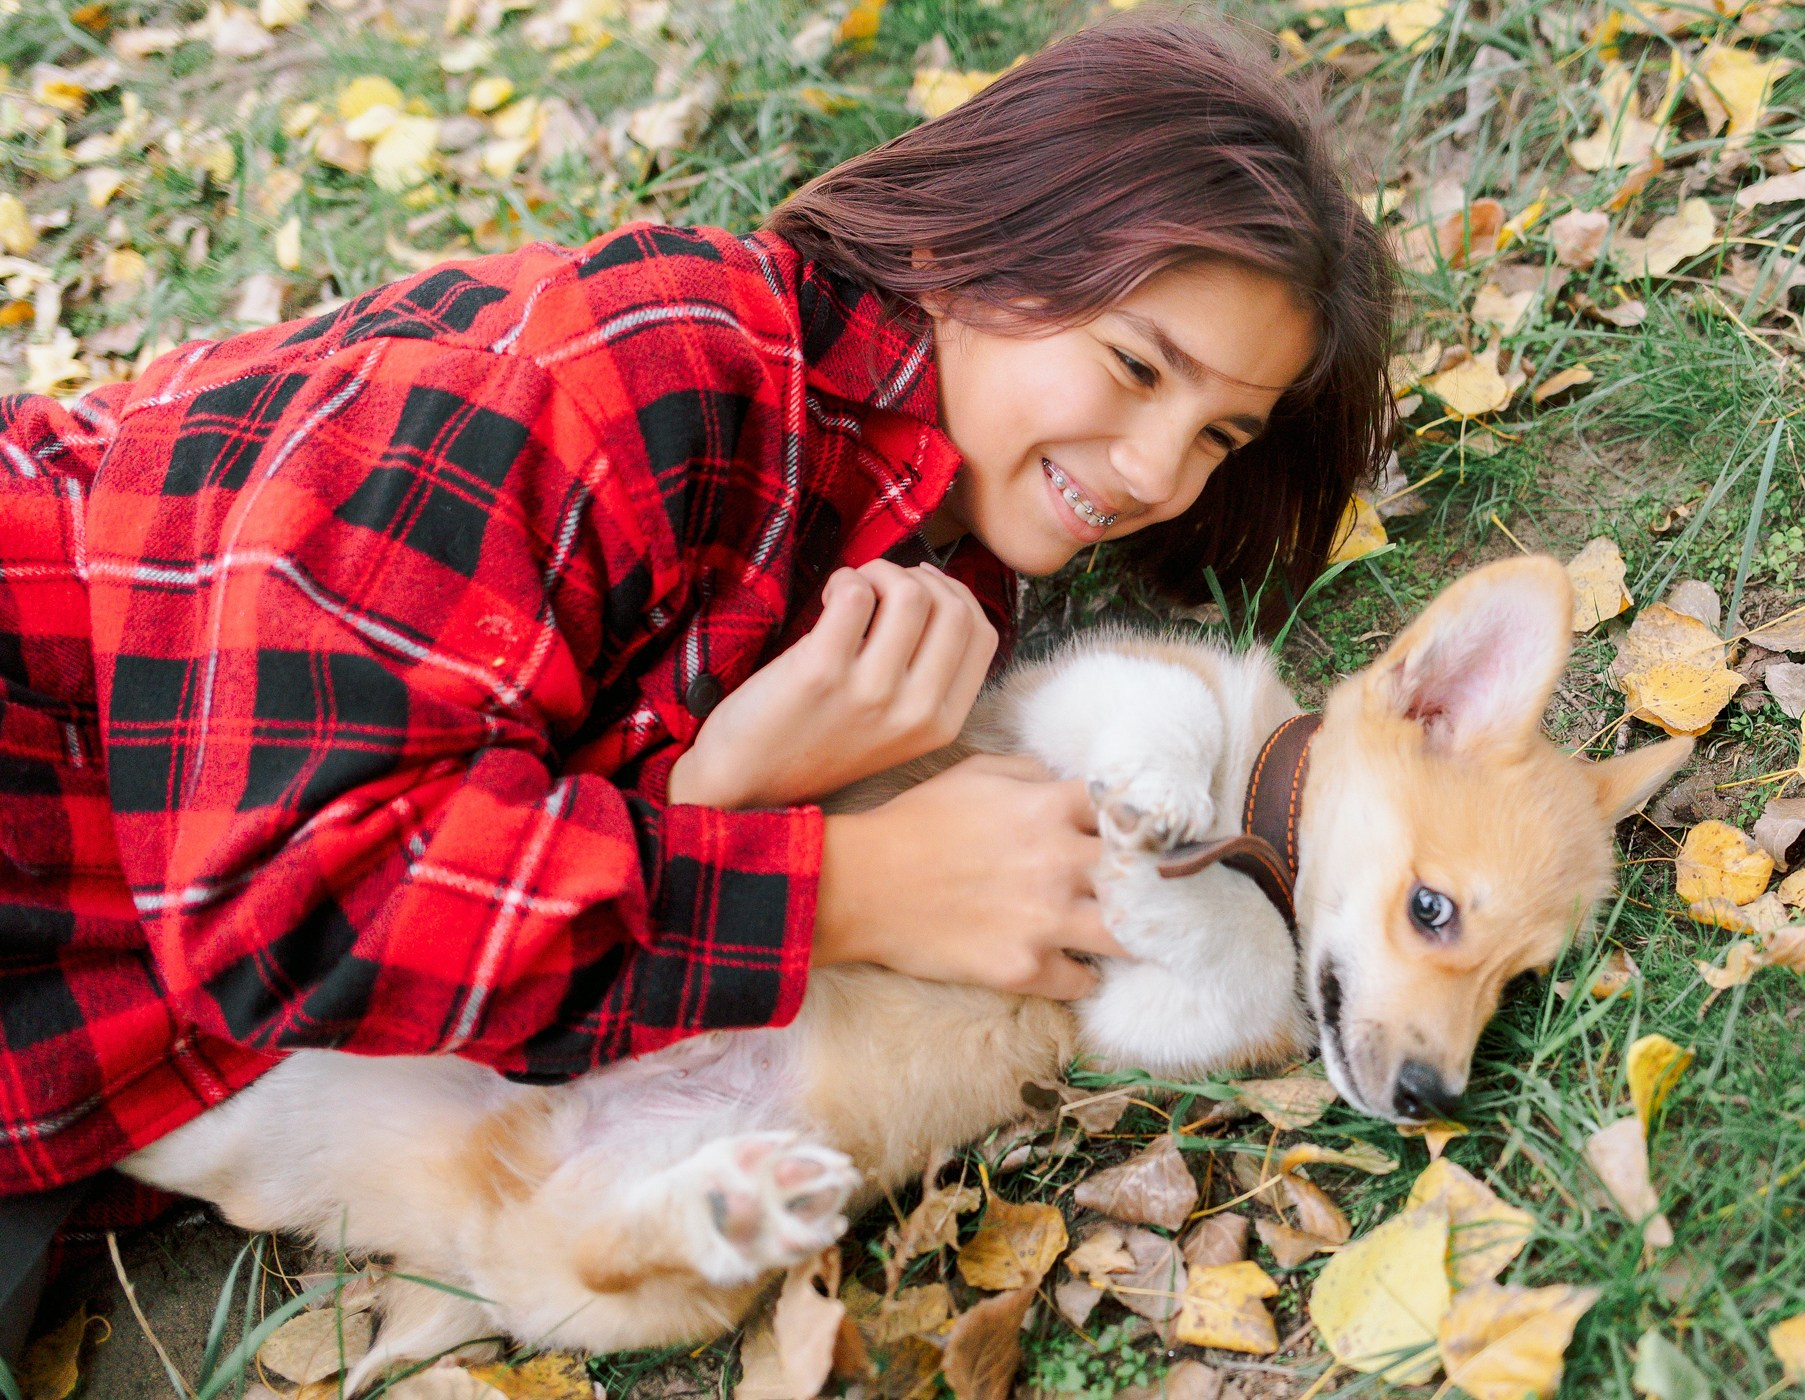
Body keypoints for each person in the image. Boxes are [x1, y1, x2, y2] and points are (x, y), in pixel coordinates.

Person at [0, 12, 1394, 1358]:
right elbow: (290, 918)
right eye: (1134, 364)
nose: (1157, 475)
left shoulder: (933, 583)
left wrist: (718, 794)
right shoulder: (647, 362)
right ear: (964, 245)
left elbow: (460, 906)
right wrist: (849, 884)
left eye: (1218, 432)